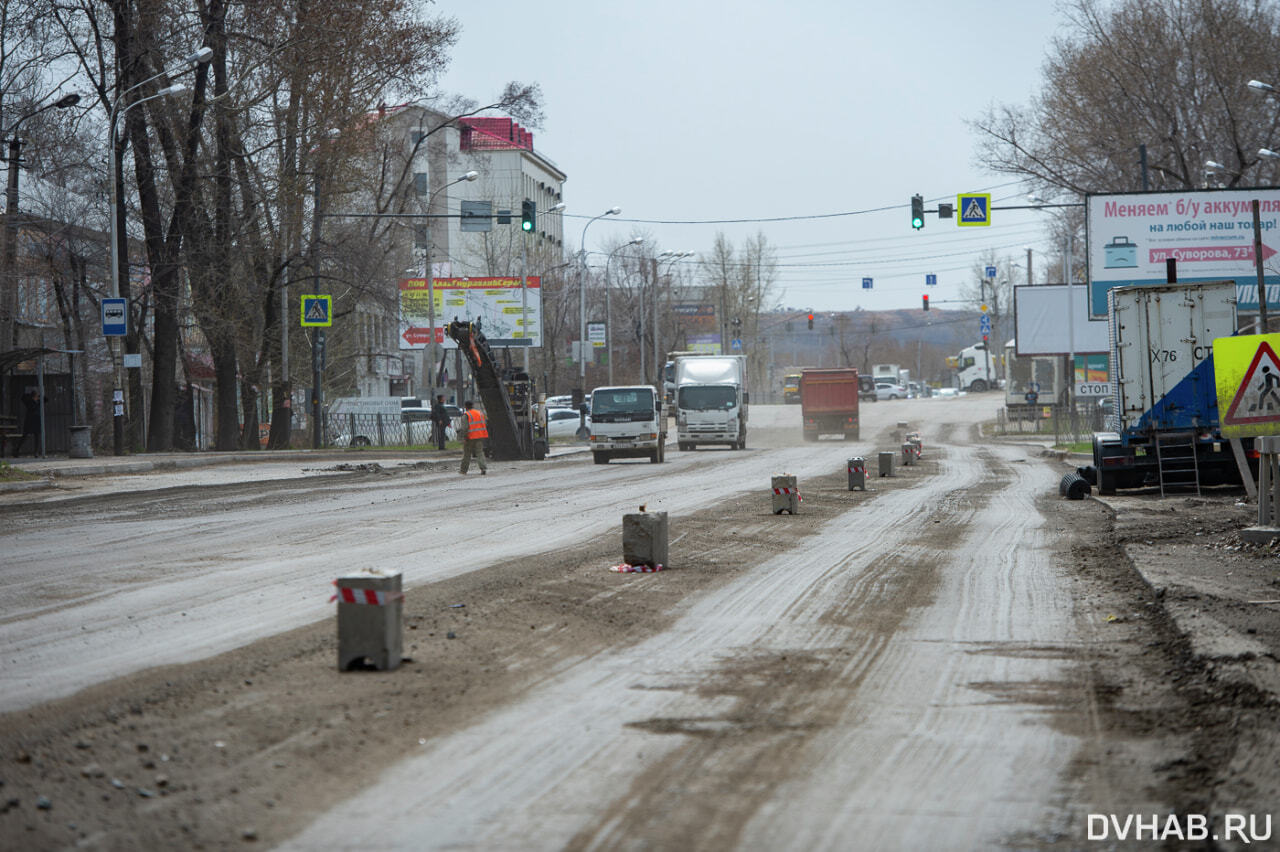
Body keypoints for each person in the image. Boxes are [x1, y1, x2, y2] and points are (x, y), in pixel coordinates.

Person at [459, 399, 488, 475]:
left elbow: (465, 428)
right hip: (480, 436)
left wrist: (464, 437)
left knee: (467, 454)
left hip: (470, 437)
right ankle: (483, 468)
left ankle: (463, 470)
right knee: (480, 452)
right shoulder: (479, 413)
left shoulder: (466, 415)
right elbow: (484, 423)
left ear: (465, 406)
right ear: (472, 405)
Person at [18, 389, 40, 456]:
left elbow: (46, 399)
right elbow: (22, 398)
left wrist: (42, 393)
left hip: (36, 421)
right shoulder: (29, 401)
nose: (37, 398)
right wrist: (27, 392)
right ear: (33, 396)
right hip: (29, 421)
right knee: (24, 436)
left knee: (37, 436)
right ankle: (16, 450)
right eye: (36, 396)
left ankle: (36, 452)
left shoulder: (38, 402)